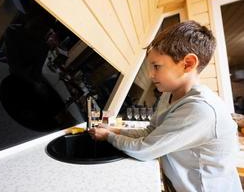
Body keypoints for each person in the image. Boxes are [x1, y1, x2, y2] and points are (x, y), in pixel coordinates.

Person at [89, 21, 242, 192]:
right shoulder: (168, 94)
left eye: (156, 66)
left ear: (188, 64)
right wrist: (114, 131)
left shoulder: (200, 109)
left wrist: (108, 137)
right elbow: (151, 132)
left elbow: (145, 149)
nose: (150, 74)